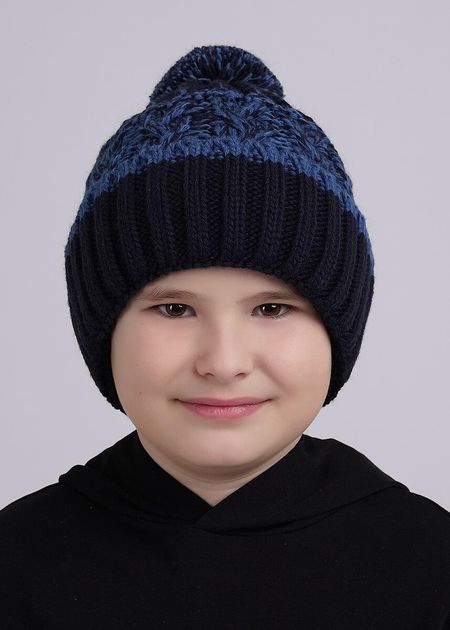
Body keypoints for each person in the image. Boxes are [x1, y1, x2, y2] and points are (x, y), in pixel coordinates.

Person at [1, 44, 449, 629]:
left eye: (271, 308)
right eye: (174, 309)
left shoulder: (428, 565)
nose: (223, 361)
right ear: (101, 330)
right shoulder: (17, 565)